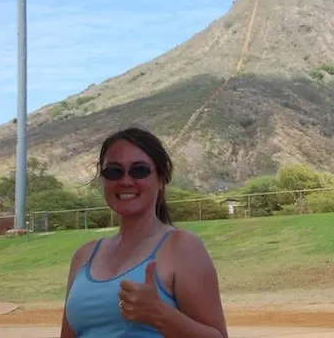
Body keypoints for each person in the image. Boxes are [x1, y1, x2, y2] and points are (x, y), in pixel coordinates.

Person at [60, 127, 228, 337]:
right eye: (113, 171)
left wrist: (159, 314)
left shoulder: (182, 247)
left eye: (139, 170)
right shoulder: (83, 256)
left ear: (161, 178)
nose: (125, 181)